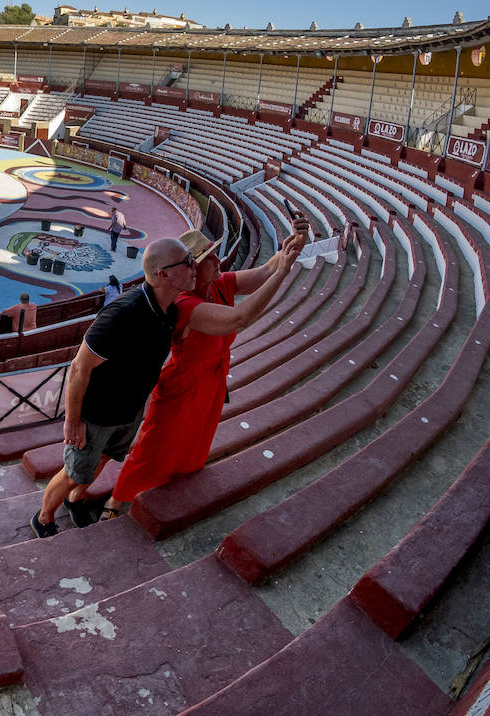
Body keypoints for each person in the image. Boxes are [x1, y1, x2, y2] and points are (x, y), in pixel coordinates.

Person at [100, 219, 309, 521]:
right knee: (152, 450)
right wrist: (284, 271)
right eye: (208, 258)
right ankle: (117, 501)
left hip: (210, 385)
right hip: (182, 389)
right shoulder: (186, 303)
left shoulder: (219, 284)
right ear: (192, 270)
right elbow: (240, 318)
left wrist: (293, 244)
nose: (217, 259)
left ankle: (172, 492)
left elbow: (265, 272)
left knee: (194, 446)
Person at [30, 238, 195, 538]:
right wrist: (72, 420)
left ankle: (75, 500)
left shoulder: (169, 309)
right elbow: (79, 367)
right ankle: (43, 517)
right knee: (73, 472)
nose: (194, 265)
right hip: (95, 415)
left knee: (103, 460)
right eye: (188, 262)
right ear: (164, 274)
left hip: (128, 410)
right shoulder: (123, 314)